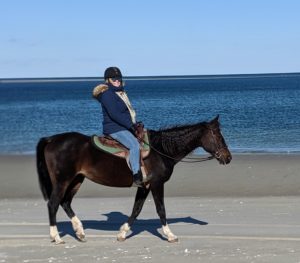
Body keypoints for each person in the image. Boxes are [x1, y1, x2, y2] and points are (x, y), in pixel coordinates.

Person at [93, 66, 144, 187]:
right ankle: (136, 175)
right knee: (134, 145)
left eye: (119, 78)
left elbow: (125, 113)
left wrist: (135, 124)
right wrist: (131, 126)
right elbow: (115, 114)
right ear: (108, 80)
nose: (117, 80)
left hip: (123, 126)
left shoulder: (120, 93)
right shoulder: (107, 94)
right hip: (115, 128)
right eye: (114, 78)